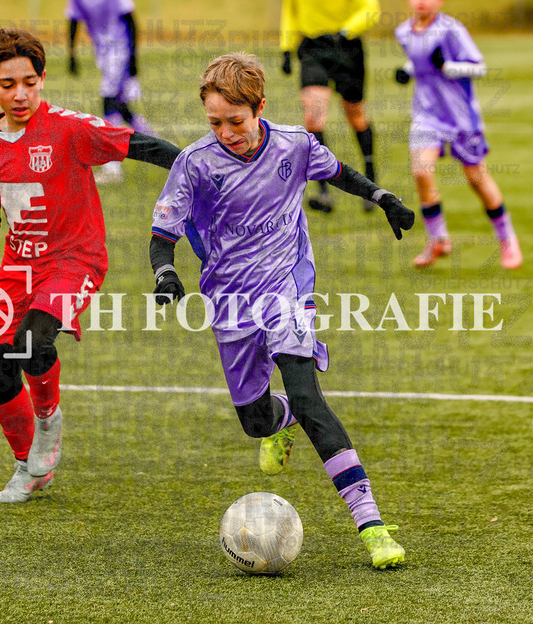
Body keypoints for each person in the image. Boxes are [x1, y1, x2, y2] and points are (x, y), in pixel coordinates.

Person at [149, 53, 414, 568]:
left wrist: (382, 196)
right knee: (255, 422)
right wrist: (165, 274)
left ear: (260, 107)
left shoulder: (294, 144)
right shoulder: (195, 163)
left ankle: (373, 526)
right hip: (229, 299)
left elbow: (338, 172)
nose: (226, 133)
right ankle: (281, 417)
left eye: (236, 121)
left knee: (310, 398)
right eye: (215, 123)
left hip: (286, 288)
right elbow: (163, 234)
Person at [0, 28, 180, 503]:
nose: (21, 94)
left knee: (32, 342)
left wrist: (198, 166)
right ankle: (29, 467)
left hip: (75, 258)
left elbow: (139, 145)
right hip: (18, 266)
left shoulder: (69, 128)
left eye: (29, 82)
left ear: (42, 78)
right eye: (8, 84)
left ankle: (47, 423)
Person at [394, 0, 523, 269]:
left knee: (476, 178)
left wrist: (448, 67)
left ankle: (507, 238)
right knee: (421, 171)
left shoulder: (452, 29)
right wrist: (407, 71)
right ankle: (438, 239)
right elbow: (420, 60)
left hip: (461, 117)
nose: (421, 2)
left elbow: (479, 66)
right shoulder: (403, 32)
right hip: (426, 115)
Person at [279, 0, 380, 214]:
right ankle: (324, 191)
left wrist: (345, 32)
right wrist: (286, 48)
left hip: (347, 47)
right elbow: (290, 13)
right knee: (313, 118)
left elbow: (371, 9)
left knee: (356, 116)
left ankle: (371, 182)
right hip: (313, 49)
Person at [67, 0, 156, 184]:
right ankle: (155, 144)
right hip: (102, 52)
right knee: (121, 107)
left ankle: (112, 168)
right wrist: (72, 55)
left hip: (120, 50)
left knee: (109, 104)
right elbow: (73, 21)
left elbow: (130, 20)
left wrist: (133, 56)